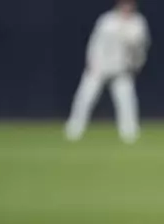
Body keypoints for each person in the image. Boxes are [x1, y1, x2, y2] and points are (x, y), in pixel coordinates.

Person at [64, 0, 150, 144]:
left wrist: (136, 65)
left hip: (121, 69)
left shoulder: (138, 23)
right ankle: (74, 130)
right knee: (84, 99)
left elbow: (141, 47)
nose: (127, 7)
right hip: (99, 67)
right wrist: (92, 62)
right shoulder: (107, 20)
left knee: (127, 102)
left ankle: (129, 133)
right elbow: (95, 42)